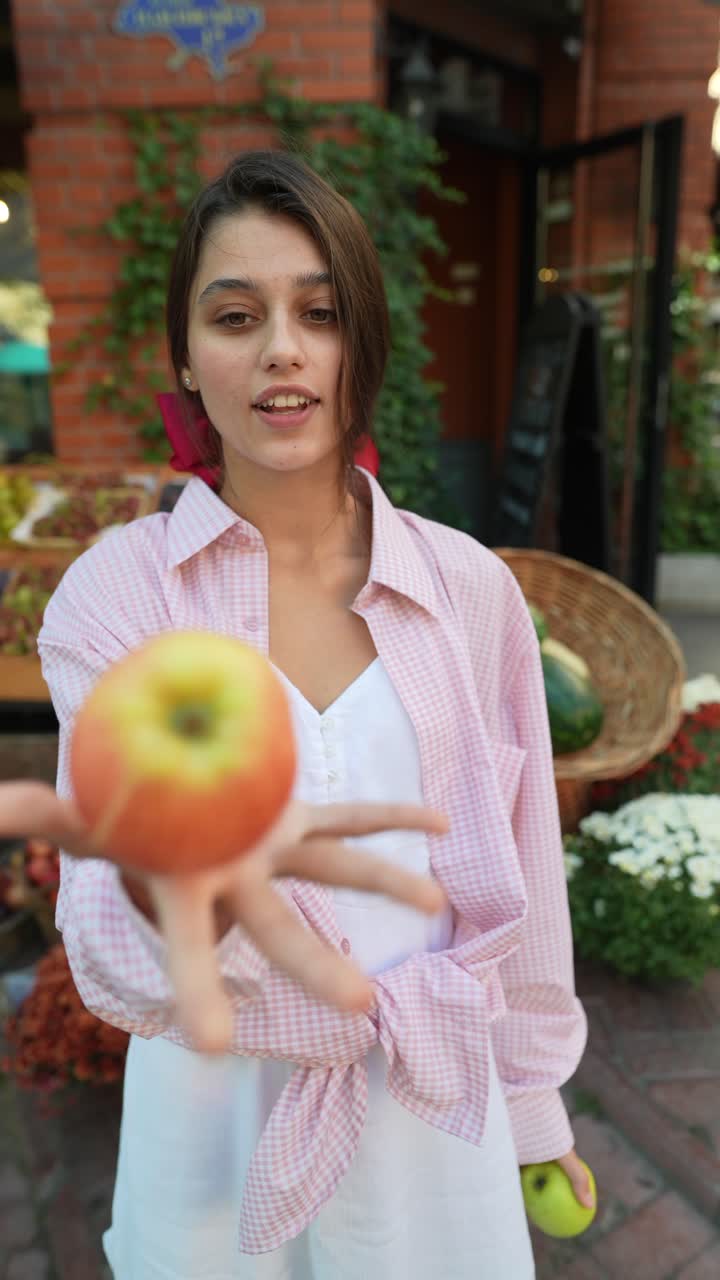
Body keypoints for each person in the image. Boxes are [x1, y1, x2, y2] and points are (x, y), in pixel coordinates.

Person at [29, 149, 591, 1277]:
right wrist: (171, 883)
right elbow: (104, 927)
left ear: (360, 342)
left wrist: (535, 1107)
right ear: (186, 357)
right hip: (214, 1122)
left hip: (432, 1112)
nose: (281, 348)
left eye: (319, 312)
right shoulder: (119, 595)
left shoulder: (468, 586)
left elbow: (526, 872)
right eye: (235, 315)